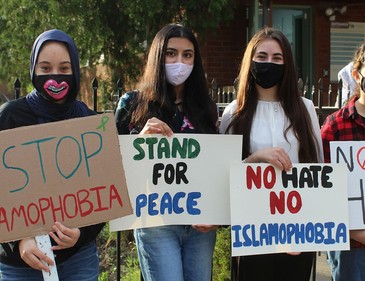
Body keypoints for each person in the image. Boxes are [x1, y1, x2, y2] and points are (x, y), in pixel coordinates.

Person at [115, 23, 218, 281]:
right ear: (158, 56)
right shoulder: (132, 104)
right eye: (171, 53)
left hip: (199, 224)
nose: (179, 61)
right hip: (155, 222)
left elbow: (216, 165)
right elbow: (113, 166)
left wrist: (218, 213)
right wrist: (140, 140)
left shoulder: (206, 107)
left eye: (187, 55)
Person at [219, 27, 323, 281]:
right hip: (252, 229)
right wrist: (253, 159)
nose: (269, 63)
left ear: (287, 63)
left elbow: (318, 167)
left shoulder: (305, 108)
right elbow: (222, 173)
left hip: (298, 229)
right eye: (262, 57)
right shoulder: (234, 112)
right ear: (250, 62)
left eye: (277, 58)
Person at [0, 29, 104, 281]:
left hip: (77, 259)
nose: (55, 76)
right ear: (33, 70)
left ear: (76, 70)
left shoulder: (89, 122)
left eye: (64, 68)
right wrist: (19, 240)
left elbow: (103, 194)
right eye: (45, 69)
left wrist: (82, 233)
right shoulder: (9, 117)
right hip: (19, 264)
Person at [321, 41, 365, 281]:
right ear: (357, 74)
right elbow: (322, 188)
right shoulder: (335, 125)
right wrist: (358, 231)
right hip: (353, 248)